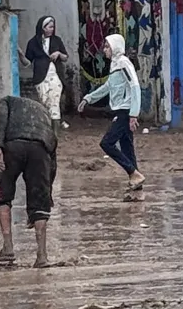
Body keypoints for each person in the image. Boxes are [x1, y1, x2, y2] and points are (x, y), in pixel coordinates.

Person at [0, 90, 58, 267]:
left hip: (13, 146)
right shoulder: (43, 112)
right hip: (40, 150)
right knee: (40, 203)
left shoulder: (6, 101)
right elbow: (52, 149)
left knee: (1, 193)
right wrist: (47, 192)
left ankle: (8, 247)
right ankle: (42, 256)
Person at [79, 32, 145, 194]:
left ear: (115, 47)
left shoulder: (123, 63)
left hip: (125, 111)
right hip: (120, 109)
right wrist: (88, 98)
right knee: (127, 147)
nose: (105, 50)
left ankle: (133, 172)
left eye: (107, 47)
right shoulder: (115, 65)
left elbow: (135, 86)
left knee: (107, 143)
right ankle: (136, 180)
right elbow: (107, 87)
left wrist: (133, 114)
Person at [23, 15, 70, 124]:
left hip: (55, 75)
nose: (52, 29)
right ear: (43, 28)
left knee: (54, 101)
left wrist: (58, 53)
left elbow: (65, 57)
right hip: (41, 76)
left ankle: (55, 128)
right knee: (44, 101)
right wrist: (20, 55)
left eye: (53, 27)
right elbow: (28, 61)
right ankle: (46, 125)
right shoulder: (33, 43)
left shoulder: (57, 40)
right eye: (49, 27)